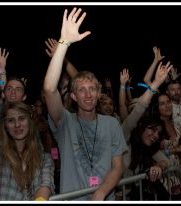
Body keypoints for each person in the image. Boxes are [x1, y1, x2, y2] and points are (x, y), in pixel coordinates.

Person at [43, 7, 127, 200]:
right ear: (73, 96)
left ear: (98, 94)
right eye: (81, 90)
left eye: (92, 89)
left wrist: (100, 193)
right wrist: (63, 44)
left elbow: (118, 166)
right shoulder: (64, 122)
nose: (88, 94)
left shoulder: (112, 123)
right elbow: (49, 89)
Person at [0, 26, 54, 200]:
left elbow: (45, 182)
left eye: (21, 119)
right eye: (11, 121)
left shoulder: (41, 155)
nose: (17, 124)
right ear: (4, 124)